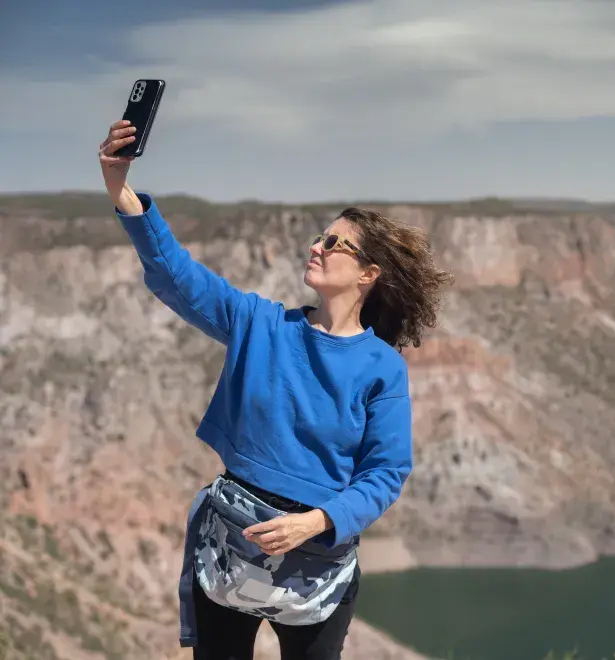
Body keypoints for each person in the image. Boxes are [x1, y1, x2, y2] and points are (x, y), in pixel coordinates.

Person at [98, 119, 451, 660]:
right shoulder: (261, 324)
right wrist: (121, 190)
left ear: (368, 275)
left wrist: (316, 522)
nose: (317, 246)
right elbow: (179, 279)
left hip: (316, 563)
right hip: (232, 547)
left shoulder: (383, 368)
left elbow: (386, 472)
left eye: (335, 243)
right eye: (319, 235)